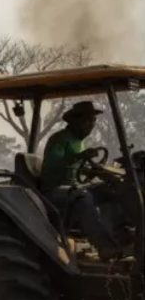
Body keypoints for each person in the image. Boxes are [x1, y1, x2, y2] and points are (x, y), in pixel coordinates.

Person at [41, 101, 120, 259]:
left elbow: (80, 168)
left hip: (73, 187)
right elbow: (54, 164)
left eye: (93, 121)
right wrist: (80, 156)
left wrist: (98, 171)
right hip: (54, 190)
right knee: (83, 198)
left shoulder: (79, 142)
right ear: (75, 120)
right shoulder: (59, 139)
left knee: (111, 189)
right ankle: (105, 247)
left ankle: (120, 236)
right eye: (88, 121)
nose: (91, 126)